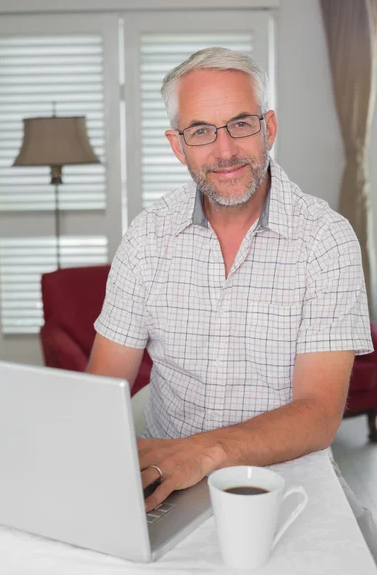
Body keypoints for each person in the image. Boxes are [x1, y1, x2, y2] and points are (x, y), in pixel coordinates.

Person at [87, 47, 377, 558]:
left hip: (286, 481)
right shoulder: (146, 238)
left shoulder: (327, 239)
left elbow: (318, 414)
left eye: (240, 124)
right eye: (201, 131)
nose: (224, 151)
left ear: (269, 126)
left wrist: (202, 453)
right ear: (178, 146)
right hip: (166, 485)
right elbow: (100, 388)